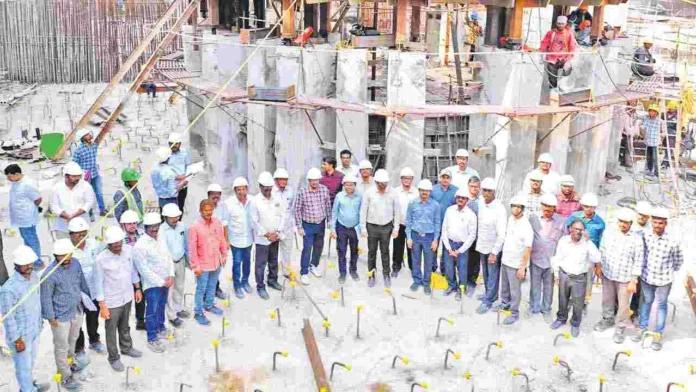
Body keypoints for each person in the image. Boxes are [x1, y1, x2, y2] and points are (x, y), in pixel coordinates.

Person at [41, 239, 91, 390]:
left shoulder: (75, 263)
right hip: (60, 317)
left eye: (68, 254)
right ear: (55, 255)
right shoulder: (49, 274)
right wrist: (51, 317)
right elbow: (45, 297)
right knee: (61, 346)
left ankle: (70, 364)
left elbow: (81, 281)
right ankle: (65, 376)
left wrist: (87, 300)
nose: (66, 258)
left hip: (76, 309)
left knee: (73, 340)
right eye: (61, 256)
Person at [631, 207, 683, 351]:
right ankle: (642, 328)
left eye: (661, 223)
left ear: (665, 224)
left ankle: (658, 335)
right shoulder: (645, 236)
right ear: (651, 222)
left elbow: (678, 261)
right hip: (647, 278)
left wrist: (669, 270)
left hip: (664, 280)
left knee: (661, 305)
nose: (657, 226)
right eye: (655, 222)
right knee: (646, 302)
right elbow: (641, 254)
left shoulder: (673, 241)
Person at [0, 246, 50, 392]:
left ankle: (27, 385)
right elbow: (8, 318)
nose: (29, 266)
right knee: (23, 366)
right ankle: (27, 390)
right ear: (16, 265)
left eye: (31, 263)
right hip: (21, 336)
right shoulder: (9, 289)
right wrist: (17, 340)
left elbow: (36, 302)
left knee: (31, 362)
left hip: (34, 329)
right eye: (25, 264)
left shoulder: (34, 277)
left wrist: (40, 322)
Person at [95, 226, 143, 372]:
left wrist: (137, 288)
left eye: (119, 242)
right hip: (112, 301)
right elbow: (98, 283)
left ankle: (127, 348)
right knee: (111, 330)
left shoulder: (128, 250)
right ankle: (114, 357)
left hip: (127, 297)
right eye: (114, 243)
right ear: (108, 244)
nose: (118, 246)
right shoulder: (101, 259)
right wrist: (102, 305)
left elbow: (133, 270)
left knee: (125, 326)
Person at [594, 208, 644, 343]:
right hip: (608, 274)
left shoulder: (636, 239)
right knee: (607, 299)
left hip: (625, 278)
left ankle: (620, 327)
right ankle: (607, 319)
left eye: (626, 222)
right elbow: (602, 250)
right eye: (621, 221)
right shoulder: (609, 233)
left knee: (623, 305)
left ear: (631, 223)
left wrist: (634, 280)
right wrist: (599, 267)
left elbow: (638, 260)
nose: (623, 224)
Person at [550, 219, 600, 337]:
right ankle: (561, 319)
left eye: (581, 230)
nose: (578, 232)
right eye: (576, 229)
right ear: (570, 229)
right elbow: (558, 257)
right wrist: (556, 274)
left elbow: (597, 258)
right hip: (564, 275)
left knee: (578, 303)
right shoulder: (563, 241)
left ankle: (575, 324)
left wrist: (588, 242)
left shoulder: (586, 243)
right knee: (562, 299)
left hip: (579, 278)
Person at [133, 212, 174, 353]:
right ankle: (152, 338)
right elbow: (143, 270)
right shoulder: (140, 245)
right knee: (151, 311)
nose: (154, 229)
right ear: (145, 227)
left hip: (166, 281)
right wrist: (161, 281)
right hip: (152, 285)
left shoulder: (162, 238)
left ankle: (160, 327)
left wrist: (171, 275)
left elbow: (169, 256)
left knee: (162, 306)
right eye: (151, 226)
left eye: (156, 225)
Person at [69, 217, 106, 361]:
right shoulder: (67, 250)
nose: (82, 237)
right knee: (77, 322)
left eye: (84, 233)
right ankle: (79, 348)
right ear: (71, 234)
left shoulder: (94, 244)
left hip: (94, 290)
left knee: (93, 318)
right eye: (78, 234)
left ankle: (94, 341)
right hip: (77, 294)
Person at [188, 200, 228, 326]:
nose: (208, 212)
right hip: (203, 265)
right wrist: (196, 266)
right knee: (201, 289)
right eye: (206, 210)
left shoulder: (217, 222)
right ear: (200, 211)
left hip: (216, 261)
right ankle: (198, 312)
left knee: (212, 285)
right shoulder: (194, 227)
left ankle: (209, 305)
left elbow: (221, 239)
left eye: (210, 210)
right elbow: (192, 249)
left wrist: (224, 255)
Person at [566, 192, 605, 312]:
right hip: (574, 254)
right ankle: (569, 301)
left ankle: (584, 303)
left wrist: (598, 264)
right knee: (571, 278)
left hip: (589, 257)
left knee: (587, 281)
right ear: (582, 206)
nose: (589, 209)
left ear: (595, 208)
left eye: (592, 207)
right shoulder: (574, 217)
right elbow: (567, 233)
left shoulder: (600, 222)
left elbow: (601, 242)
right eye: (586, 206)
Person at [360, 168, 400, 288]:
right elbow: (363, 211)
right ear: (376, 182)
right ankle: (371, 275)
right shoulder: (369, 193)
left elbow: (396, 211)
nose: (383, 186)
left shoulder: (393, 193)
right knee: (371, 252)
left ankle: (386, 274)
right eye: (380, 183)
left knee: (385, 252)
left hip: (386, 227)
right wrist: (363, 227)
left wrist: (396, 228)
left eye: (385, 183)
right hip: (371, 226)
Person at [528, 194, 564, 322]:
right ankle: (534, 307)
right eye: (545, 206)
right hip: (536, 257)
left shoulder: (561, 221)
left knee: (549, 286)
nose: (547, 209)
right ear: (541, 206)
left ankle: (546, 309)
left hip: (551, 260)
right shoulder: (533, 218)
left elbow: (563, 241)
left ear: (555, 208)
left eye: (550, 207)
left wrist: (559, 262)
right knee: (535, 284)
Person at [498, 195, 533, 325]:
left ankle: (514, 313)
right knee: (505, 287)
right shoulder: (510, 219)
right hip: (506, 260)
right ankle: (505, 304)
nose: (515, 208)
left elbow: (528, 248)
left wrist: (522, 267)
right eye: (514, 206)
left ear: (522, 209)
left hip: (516, 264)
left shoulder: (526, 225)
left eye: (518, 206)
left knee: (515, 290)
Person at [475, 178, 507, 314]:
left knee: (493, 274)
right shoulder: (481, 203)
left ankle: (489, 300)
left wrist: (494, 252)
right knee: (486, 273)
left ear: (494, 192)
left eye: (489, 191)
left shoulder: (499, 208)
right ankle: (489, 293)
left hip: (494, 247)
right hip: (482, 244)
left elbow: (501, 233)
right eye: (484, 190)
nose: (486, 193)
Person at [294, 168, 332, 285]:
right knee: (307, 248)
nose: (315, 182)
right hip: (307, 225)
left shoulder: (324, 190)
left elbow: (327, 206)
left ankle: (313, 265)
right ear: (309, 180)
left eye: (317, 180)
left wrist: (329, 221)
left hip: (320, 223)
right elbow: (297, 210)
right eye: (312, 180)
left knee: (319, 246)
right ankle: (304, 272)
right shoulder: (302, 192)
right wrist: (299, 227)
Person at [252, 172, 284, 299]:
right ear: (260, 187)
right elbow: (254, 221)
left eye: (269, 188)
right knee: (260, 264)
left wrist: (278, 232)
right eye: (265, 188)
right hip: (262, 239)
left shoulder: (277, 198)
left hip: (275, 237)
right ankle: (260, 286)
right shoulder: (255, 201)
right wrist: (266, 234)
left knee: (273, 260)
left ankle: (272, 280)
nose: (267, 190)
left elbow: (282, 216)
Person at [441, 188, 476, 301]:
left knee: (462, 269)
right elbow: (444, 229)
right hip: (449, 246)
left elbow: (472, 236)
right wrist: (448, 248)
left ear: (467, 200)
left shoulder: (471, 215)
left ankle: (461, 289)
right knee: (449, 268)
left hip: (462, 247)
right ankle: (452, 286)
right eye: (458, 197)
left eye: (463, 198)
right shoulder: (449, 210)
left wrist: (460, 250)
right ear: (456, 198)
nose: (460, 199)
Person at [406, 179, 441, 294]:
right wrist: (409, 237)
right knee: (415, 259)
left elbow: (437, 223)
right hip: (415, 235)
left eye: (427, 191)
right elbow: (408, 221)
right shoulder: (412, 203)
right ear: (419, 190)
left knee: (428, 261)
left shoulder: (435, 205)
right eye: (422, 190)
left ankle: (426, 282)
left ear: (430, 192)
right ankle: (417, 280)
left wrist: (435, 240)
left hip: (429, 237)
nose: (424, 193)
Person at [5, 163, 42, 268]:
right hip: (20, 219)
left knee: (31, 240)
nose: (9, 180)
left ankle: (37, 262)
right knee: (27, 240)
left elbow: (38, 199)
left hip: (27, 218)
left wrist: (32, 209)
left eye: (10, 177)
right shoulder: (16, 182)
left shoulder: (27, 184)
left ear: (16, 174)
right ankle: (30, 260)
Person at [50, 162, 96, 240]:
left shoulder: (86, 186)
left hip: (82, 225)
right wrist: (66, 216)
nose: (77, 178)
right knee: (65, 249)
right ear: (66, 176)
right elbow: (54, 206)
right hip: (63, 226)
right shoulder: (57, 188)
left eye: (79, 176)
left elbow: (89, 202)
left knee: (82, 248)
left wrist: (74, 215)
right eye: (74, 176)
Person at [160, 204, 188, 327]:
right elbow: (163, 251)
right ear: (165, 217)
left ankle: (178, 308)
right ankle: (172, 316)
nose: (175, 219)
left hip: (180, 261)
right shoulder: (161, 230)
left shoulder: (182, 226)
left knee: (180, 287)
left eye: (177, 216)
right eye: (172, 217)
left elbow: (186, 243)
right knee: (169, 291)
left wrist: (188, 260)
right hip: (168, 264)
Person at [330, 175, 362, 283]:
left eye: (351, 185)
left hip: (355, 228)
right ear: (343, 185)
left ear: (355, 185)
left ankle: (353, 270)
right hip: (341, 227)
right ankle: (342, 273)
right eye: (346, 185)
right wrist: (333, 229)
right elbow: (334, 213)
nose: (349, 187)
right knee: (341, 251)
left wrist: (362, 228)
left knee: (354, 251)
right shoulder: (339, 196)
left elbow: (362, 213)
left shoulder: (359, 196)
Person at [225, 177, 254, 298]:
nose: (241, 192)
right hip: (235, 240)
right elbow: (225, 223)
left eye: (244, 189)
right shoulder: (228, 203)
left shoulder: (252, 200)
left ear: (247, 189)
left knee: (247, 261)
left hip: (248, 238)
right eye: (239, 189)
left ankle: (245, 281)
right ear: (235, 190)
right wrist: (226, 240)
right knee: (237, 262)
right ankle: (237, 286)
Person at [120, 210, 146, 330]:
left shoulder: (142, 234)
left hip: (140, 270)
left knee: (140, 295)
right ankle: (124, 324)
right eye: (129, 223)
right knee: (126, 298)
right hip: (126, 271)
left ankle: (140, 320)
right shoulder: (119, 237)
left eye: (134, 223)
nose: (132, 226)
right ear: (123, 225)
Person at [72, 129, 106, 217]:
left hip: (95, 173)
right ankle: (89, 212)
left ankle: (102, 210)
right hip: (86, 176)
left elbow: (101, 135)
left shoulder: (94, 146)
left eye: (89, 133)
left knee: (99, 192)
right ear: (83, 138)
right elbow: (74, 164)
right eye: (87, 134)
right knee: (87, 195)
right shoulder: (78, 151)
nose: (89, 135)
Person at [392, 167, 418, 277]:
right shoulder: (396, 191)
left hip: (412, 225)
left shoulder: (416, 192)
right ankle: (396, 266)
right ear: (401, 179)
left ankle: (413, 268)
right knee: (398, 246)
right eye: (404, 178)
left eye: (409, 178)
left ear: (412, 179)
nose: (407, 180)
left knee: (412, 247)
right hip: (399, 224)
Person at [431, 168, 458, 273]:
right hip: (435, 223)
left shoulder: (456, 191)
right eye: (443, 177)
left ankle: (444, 270)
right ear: (439, 178)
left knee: (447, 248)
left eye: (448, 178)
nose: (445, 180)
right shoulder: (433, 190)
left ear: (450, 179)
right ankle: (433, 268)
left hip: (449, 224)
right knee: (433, 247)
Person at [540, 15, 577, 88]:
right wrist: (543, 53)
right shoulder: (550, 33)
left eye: (562, 24)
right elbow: (544, 43)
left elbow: (572, 47)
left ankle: (562, 86)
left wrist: (568, 59)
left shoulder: (569, 34)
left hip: (563, 58)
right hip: (552, 58)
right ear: (556, 23)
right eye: (559, 23)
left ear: (565, 24)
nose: (560, 25)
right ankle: (553, 91)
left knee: (568, 70)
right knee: (552, 78)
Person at [207, 183, 229, 300]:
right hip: (208, 243)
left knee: (217, 266)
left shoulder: (223, 206)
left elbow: (225, 223)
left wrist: (226, 240)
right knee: (209, 267)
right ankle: (209, 290)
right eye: (213, 195)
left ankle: (216, 288)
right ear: (208, 195)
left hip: (219, 242)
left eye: (218, 195)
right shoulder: (204, 206)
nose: (216, 197)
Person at [272, 168, 295, 268]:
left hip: (287, 227)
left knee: (287, 251)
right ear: (275, 180)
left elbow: (292, 208)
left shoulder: (290, 191)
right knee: (273, 253)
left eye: (285, 179)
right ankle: (271, 273)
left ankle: (286, 271)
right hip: (274, 227)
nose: (284, 181)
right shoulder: (271, 191)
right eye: (281, 179)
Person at [465, 176, 482, 296]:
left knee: (475, 260)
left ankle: (471, 282)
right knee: (464, 260)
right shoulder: (463, 199)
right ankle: (463, 281)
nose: (474, 189)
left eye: (476, 187)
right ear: (468, 186)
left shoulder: (481, 201)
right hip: (464, 235)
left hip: (477, 236)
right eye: (472, 186)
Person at [167, 133, 192, 215]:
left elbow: (188, 167)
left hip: (183, 186)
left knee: (180, 207)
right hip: (170, 186)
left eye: (176, 144)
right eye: (171, 143)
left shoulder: (185, 153)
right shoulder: (165, 154)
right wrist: (176, 177)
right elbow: (163, 171)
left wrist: (186, 180)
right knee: (169, 208)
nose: (173, 145)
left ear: (180, 144)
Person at [641, 104, 667, 177]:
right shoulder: (646, 118)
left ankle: (656, 173)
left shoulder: (660, 121)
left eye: (653, 111)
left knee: (655, 158)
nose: (651, 113)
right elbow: (638, 118)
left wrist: (661, 137)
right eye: (650, 111)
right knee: (649, 157)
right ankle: (649, 170)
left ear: (656, 112)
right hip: (648, 141)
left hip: (655, 142)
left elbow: (664, 132)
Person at [619, 102, 640, 169]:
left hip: (631, 135)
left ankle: (626, 161)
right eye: (633, 106)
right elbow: (627, 129)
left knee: (629, 148)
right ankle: (628, 163)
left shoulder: (634, 115)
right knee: (629, 148)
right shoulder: (626, 115)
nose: (634, 108)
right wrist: (634, 128)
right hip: (626, 135)